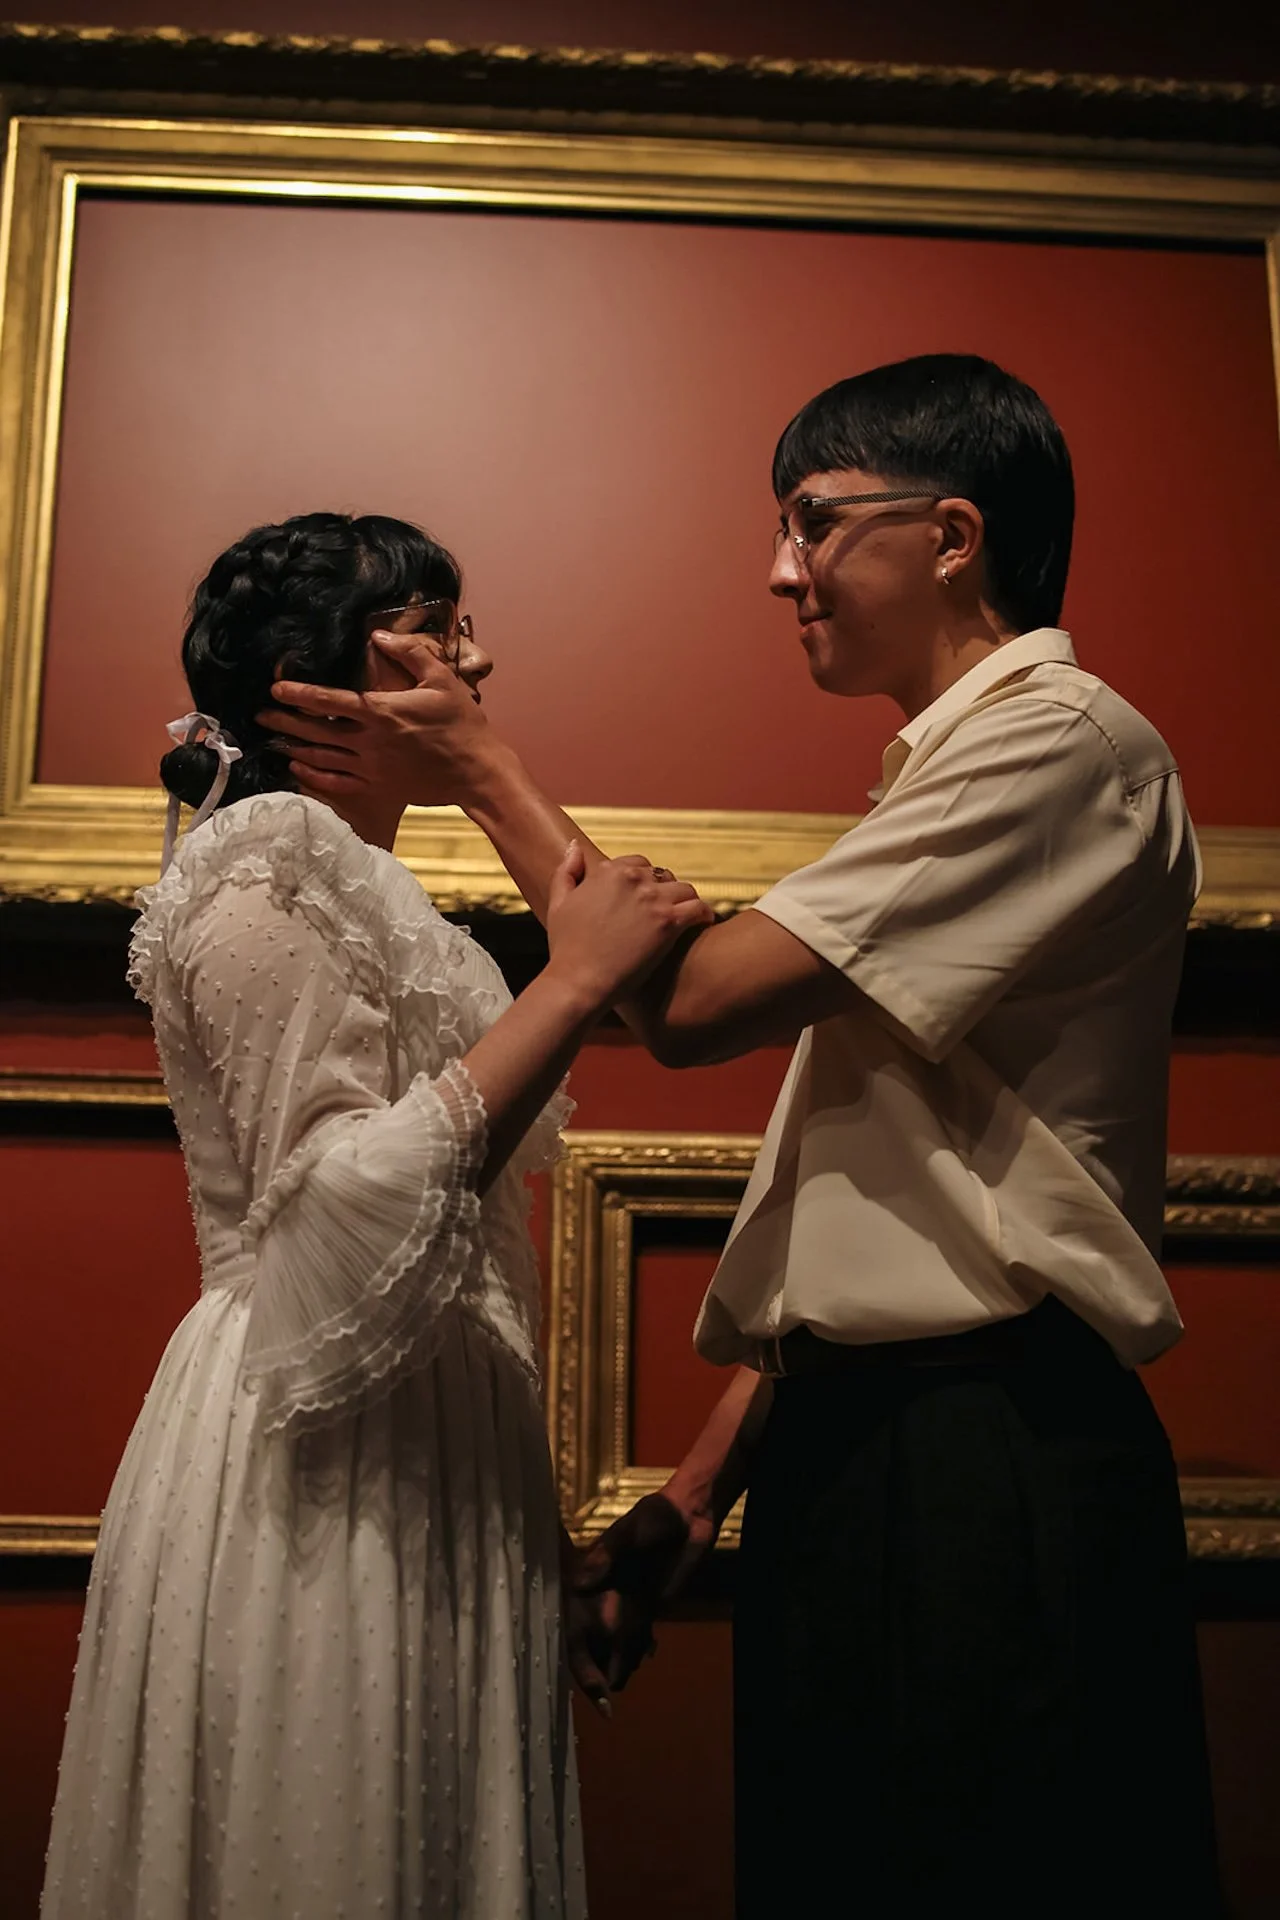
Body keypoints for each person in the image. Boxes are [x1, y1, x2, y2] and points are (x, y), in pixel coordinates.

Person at [265, 358, 1223, 1917]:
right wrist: (701, 1491)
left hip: (989, 1458)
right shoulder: (952, 768)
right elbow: (883, 1187)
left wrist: (483, 771)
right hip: (876, 1445)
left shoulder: (1061, 746)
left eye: (815, 523)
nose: (783, 572)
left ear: (953, 535)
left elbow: (693, 1002)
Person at [41, 510, 712, 1920]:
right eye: (436, 627)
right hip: (322, 1451)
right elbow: (335, 1211)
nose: (479, 659)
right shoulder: (264, 864)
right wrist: (573, 984)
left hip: (430, 1448)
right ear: (320, 683)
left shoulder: (360, 885)